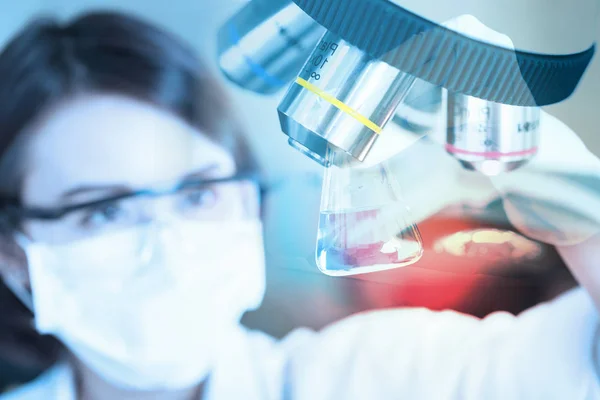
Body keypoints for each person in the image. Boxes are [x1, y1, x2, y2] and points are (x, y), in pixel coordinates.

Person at [0, 10, 598, 400]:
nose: (169, 243)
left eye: (198, 193)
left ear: (251, 203)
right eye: (103, 209)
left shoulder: (378, 378)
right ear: (15, 258)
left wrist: (580, 212)